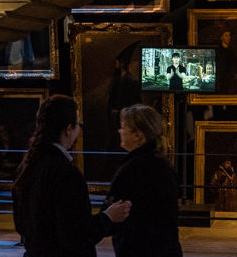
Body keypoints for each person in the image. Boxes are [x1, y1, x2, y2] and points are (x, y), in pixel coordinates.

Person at [12, 95, 130, 257]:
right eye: (78, 125)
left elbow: (21, 225)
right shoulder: (66, 173)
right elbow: (76, 235)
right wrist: (108, 217)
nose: (79, 129)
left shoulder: (27, 166)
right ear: (68, 129)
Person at [109, 104, 182, 257]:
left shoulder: (133, 168)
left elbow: (115, 209)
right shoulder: (162, 164)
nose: (119, 131)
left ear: (137, 135)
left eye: (123, 127)